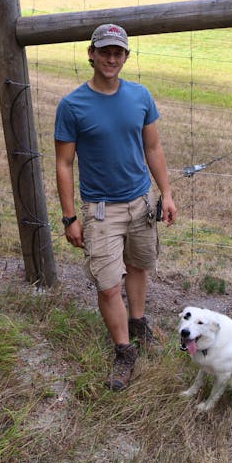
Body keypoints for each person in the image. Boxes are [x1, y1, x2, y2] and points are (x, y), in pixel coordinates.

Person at [54, 23, 177, 391]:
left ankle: (138, 324)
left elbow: (153, 149)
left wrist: (165, 194)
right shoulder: (72, 105)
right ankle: (124, 352)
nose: (111, 58)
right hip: (100, 210)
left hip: (140, 202)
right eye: (104, 51)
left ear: (126, 57)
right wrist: (69, 217)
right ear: (90, 53)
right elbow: (63, 164)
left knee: (138, 266)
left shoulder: (140, 96)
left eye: (118, 52)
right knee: (108, 286)